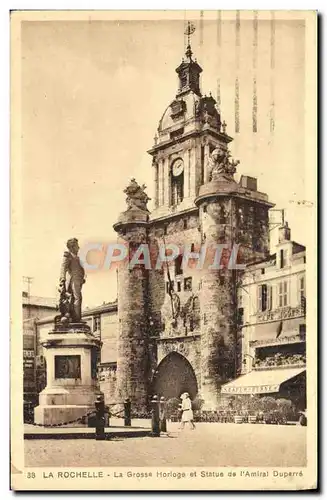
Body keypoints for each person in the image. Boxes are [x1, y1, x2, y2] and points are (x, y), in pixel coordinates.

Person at [59, 238, 85, 323]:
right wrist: (62, 279)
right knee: (76, 298)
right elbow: (63, 267)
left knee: (76, 299)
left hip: (78, 282)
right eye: (77, 246)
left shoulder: (77, 257)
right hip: (72, 281)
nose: (79, 247)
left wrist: (82, 279)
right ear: (72, 247)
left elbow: (79, 270)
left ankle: (75, 317)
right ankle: (77, 319)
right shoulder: (68, 255)